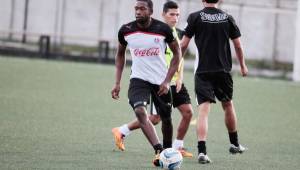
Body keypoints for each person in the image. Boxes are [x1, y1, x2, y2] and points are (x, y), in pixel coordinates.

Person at [112, 0, 194, 158]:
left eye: (142, 9)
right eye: (136, 9)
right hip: (138, 79)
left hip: (160, 81)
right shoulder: (126, 30)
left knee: (166, 119)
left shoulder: (163, 30)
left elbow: (177, 55)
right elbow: (120, 54)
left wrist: (167, 80)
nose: (138, 12)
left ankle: (169, 151)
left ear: (150, 11)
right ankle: (159, 150)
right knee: (140, 111)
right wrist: (117, 82)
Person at [180, 0, 249, 164]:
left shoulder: (195, 17)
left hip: (203, 71)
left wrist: (175, 63)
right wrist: (243, 66)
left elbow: (183, 44)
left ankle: (202, 152)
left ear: (202, 0)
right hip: (223, 71)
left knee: (203, 111)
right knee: (228, 104)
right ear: (220, 0)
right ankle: (235, 143)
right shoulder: (228, 18)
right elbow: (238, 46)